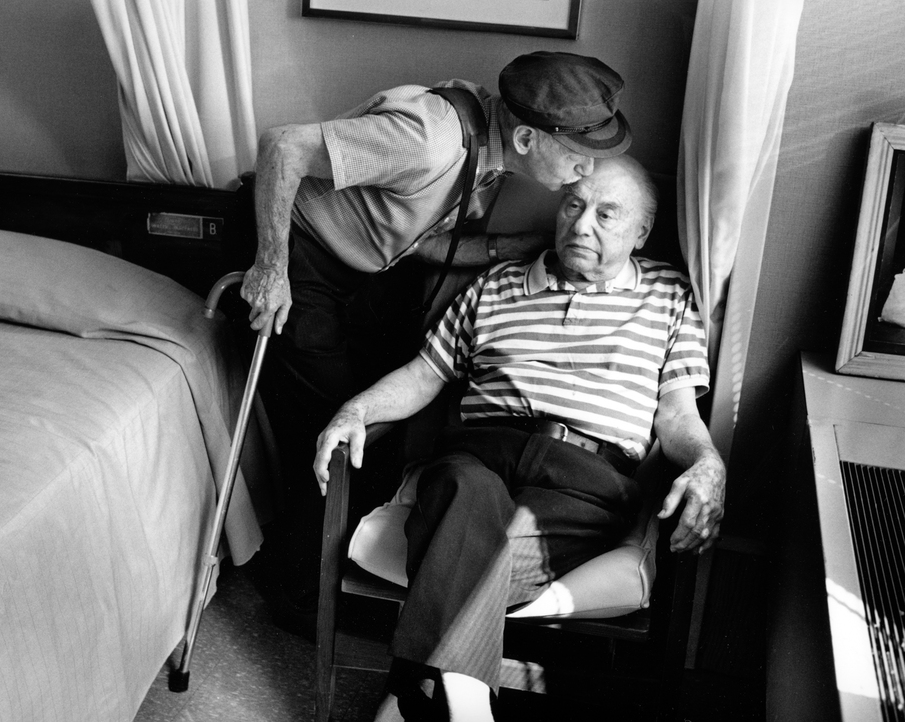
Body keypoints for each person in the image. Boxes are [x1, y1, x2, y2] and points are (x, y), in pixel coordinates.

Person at [313, 155, 726, 721]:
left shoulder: (669, 296)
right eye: (574, 205)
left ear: (642, 231)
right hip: (480, 453)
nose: (582, 225)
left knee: (468, 537)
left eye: (607, 214)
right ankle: (466, 703)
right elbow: (423, 375)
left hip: (584, 481)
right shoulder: (497, 284)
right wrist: (355, 409)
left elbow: (678, 416)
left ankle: (422, 687)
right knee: (459, 489)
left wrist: (707, 463)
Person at [240, 51, 635, 628]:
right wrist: (270, 266)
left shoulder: (492, 158)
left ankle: (321, 573)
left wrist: (506, 250)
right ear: (526, 137)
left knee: (392, 425)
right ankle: (298, 595)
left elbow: (412, 239)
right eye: (577, 157)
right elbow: (281, 147)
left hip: (363, 272)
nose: (582, 173)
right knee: (344, 428)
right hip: (299, 256)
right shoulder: (431, 139)